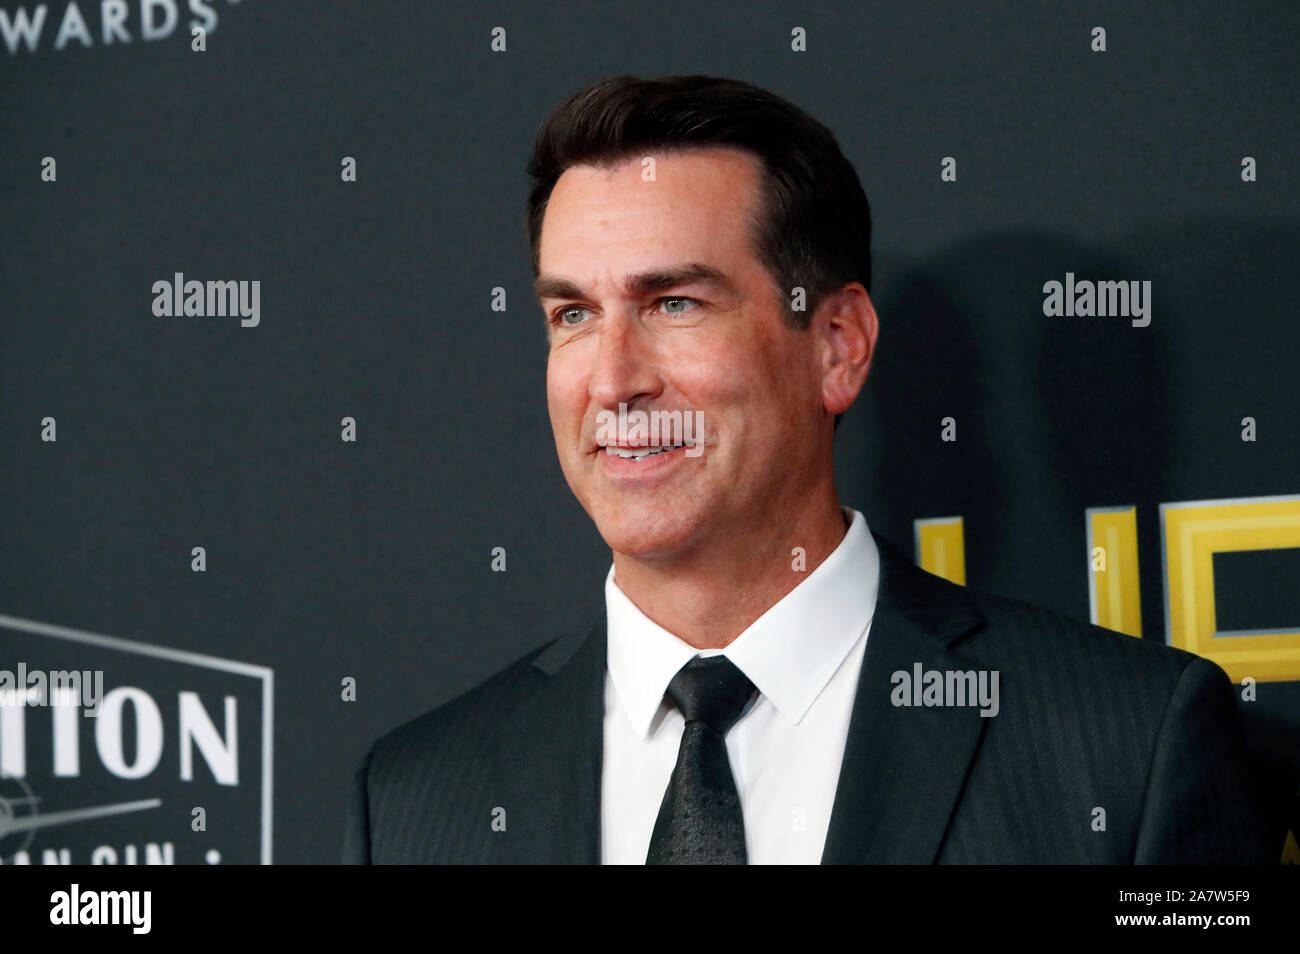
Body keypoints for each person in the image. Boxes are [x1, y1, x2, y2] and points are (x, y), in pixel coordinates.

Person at [343, 74, 1272, 864]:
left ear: (837, 345)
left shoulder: (1124, 746)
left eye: (673, 303)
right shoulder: (416, 802)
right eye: (573, 315)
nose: (613, 380)